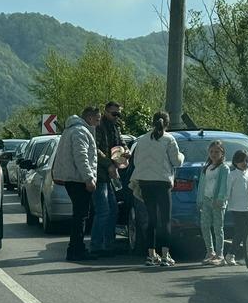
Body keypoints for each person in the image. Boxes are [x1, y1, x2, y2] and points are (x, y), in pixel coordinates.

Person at [129, 111, 185, 266]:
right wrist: (182, 156)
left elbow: (137, 161)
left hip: (146, 182)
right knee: (165, 220)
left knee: (151, 219)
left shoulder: (142, 140)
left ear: (152, 122)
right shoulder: (169, 139)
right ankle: (166, 255)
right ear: (167, 124)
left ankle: (151, 255)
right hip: (162, 182)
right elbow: (176, 161)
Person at [52, 106, 100, 262]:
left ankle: (74, 249)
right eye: (97, 119)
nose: (98, 123)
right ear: (90, 117)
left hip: (72, 178)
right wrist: (89, 178)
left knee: (79, 215)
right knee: (81, 216)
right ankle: (77, 250)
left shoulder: (70, 130)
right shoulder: (80, 132)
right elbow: (81, 157)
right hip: (78, 179)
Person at [90, 101, 128, 257]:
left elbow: (120, 143)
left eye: (118, 114)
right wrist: (109, 165)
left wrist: (125, 152)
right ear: (106, 112)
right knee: (103, 211)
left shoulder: (115, 127)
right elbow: (95, 149)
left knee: (113, 210)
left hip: (109, 176)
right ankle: (96, 246)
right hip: (99, 175)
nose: (116, 116)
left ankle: (108, 244)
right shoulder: (99, 127)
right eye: (114, 113)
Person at [196, 140, 229, 265]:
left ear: (222, 153)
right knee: (205, 226)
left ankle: (220, 255)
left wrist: (220, 199)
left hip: (217, 201)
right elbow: (202, 186)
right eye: (211, 151)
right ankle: (210, 252)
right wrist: (199, 200)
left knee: (218, 228)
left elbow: (224, 185)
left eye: (216, 152)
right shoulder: (206, 168)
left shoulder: (224, 168)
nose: (214, 154)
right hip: (206, 200)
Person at [224, 149, 248, 266]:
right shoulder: (232, 175)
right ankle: (231, 254)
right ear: (235, 162)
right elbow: (227, 191)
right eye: (241, 161)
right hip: (237, 208)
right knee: (240, 232)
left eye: (246, 161)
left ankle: (247, 256)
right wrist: (224, 203)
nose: (244, 163)